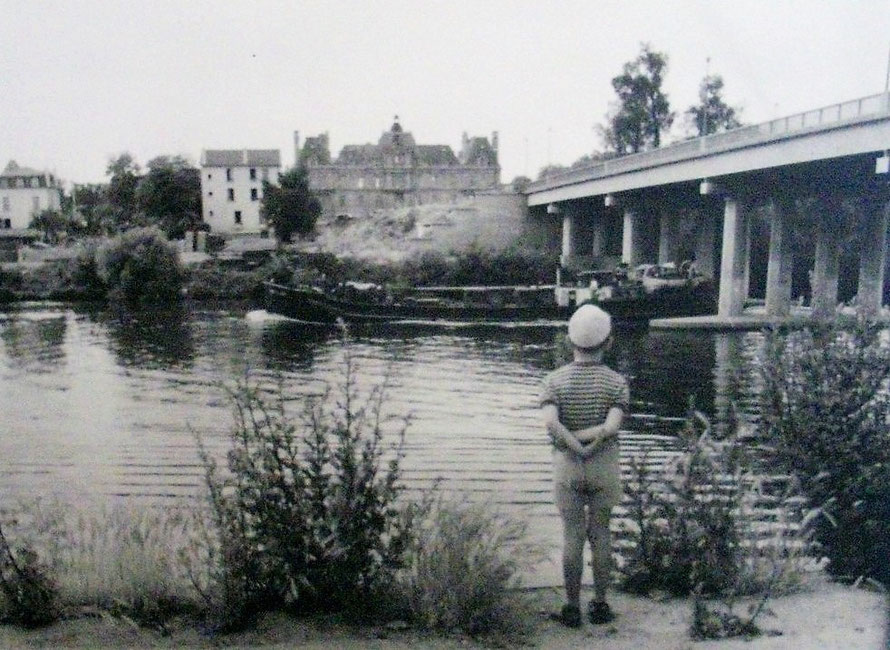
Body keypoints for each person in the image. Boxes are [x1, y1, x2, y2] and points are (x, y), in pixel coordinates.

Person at [541, 304, 628, 627]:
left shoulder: (553, 381)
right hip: (604, 464)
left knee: (572, 536)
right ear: (609, 342)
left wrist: (574, 445)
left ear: (569, 341)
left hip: (567, 465)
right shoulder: (617, 382)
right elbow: (612, 428)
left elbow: (550, 423)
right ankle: (601, 603)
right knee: (601, 533)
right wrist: (591, 444)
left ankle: (572, 607)